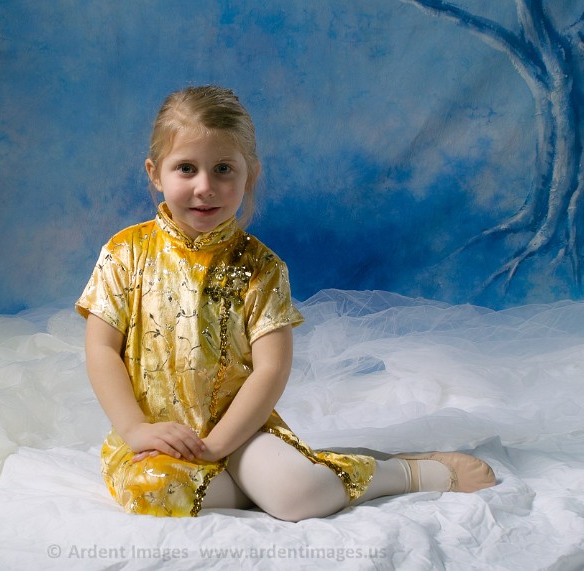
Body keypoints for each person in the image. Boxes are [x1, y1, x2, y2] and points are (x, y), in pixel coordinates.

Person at [76, 85, 495, 522]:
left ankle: (404, 472)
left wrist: (218, 446)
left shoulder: (261, 267)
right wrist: (136, 429)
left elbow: (271, 369)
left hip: (241, 431)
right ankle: (297, 475)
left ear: (249, 175)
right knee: (155, 490)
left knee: (298, 498)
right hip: (157, 438)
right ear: (155, 173)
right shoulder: (126, 253)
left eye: (223, 169)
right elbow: (101, 348)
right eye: (186, 168)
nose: (205, 187)